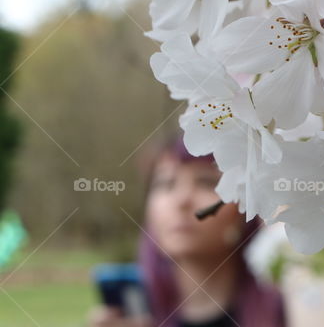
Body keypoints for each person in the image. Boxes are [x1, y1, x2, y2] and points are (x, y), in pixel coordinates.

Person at [88, 135, 285, 327]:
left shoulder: (290, 306)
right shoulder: (135, 314)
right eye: (166, 184)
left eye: (206, 182)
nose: (181, 200)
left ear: (248, 207)